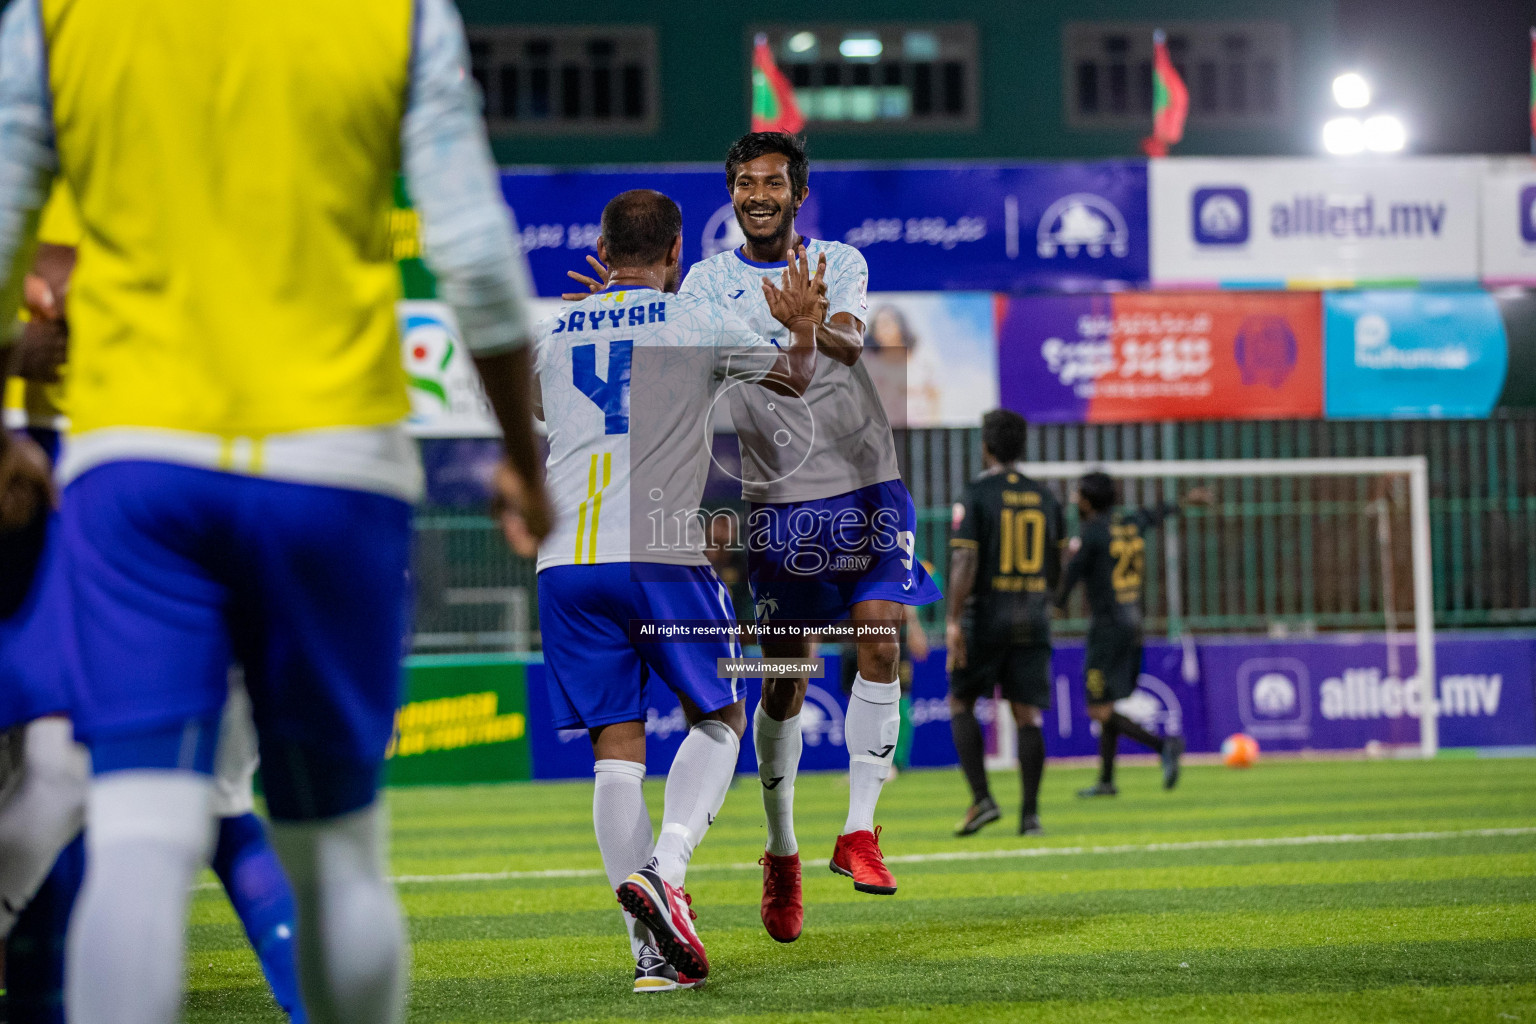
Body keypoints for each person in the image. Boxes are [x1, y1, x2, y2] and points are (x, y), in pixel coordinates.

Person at [0, 3, 550, 1024]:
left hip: (135, 467)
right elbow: (474, 257)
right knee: (338, 850)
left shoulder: (56, 14)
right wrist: (524, 458)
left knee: (135, 831)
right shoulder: (400, 16)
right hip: (335, 463)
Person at [564, 132, 942, 943]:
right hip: (781, 501)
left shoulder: (838, 261)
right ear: (731, 195)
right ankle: (781, 850)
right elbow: (703, 353)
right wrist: (627, 309)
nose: (757, 193)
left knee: (880, 636)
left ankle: (862, 831)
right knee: (783, 679)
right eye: (743, 182)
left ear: (798, 194)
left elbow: (843, 338)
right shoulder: (703, 281)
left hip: (868, 481)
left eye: (772, 181)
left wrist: (808, 324)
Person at [534, 189, 821, 988]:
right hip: (657, 548)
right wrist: (800, 325)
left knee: (614, 754)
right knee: (723, 712)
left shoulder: (554, 334)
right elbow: (796, 380)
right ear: (675, 253)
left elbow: (543, 410)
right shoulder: (693, 320)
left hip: (565, 563)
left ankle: (651, 957)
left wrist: (598, 319)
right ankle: (667, 867)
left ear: (602, 246)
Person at [945, 410, 1063, 837]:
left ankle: (982, 799)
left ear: (986, 447)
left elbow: (965, 557)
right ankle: (1030, 815)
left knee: (961, 702)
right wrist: (1049, 600)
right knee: (1027, 714)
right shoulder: (1046, 495)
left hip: (987, 616)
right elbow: (1059, 559)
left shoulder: (976, 492)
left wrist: (954, 621)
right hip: (1033, 616)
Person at [1057, 471, 1208, 797]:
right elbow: (1155, 513)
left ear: (1087, 500)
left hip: (1108, 627)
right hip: (1133, 622)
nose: (1073, 499)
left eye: (1076, 493)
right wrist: (1184, 501)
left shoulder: (1092, 534)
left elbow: (1062, 590)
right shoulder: (1128, 522)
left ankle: (1163, 745)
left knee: (1098, 707)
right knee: (1108, 702)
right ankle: (1107, 780)